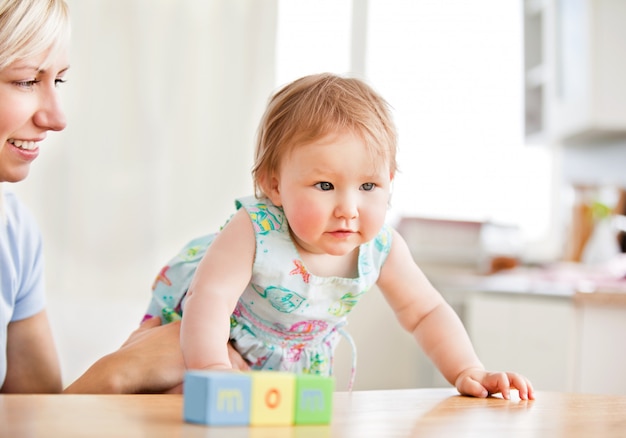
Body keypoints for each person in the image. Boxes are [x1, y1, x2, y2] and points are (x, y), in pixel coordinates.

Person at [145, 73, 535, 400]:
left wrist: (468, 369)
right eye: (325, 185)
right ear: (273, 184)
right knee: (177, 401)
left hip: (296, 372)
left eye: (368, 186)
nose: (349, 207)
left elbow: (426, 312)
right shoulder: (255, 229)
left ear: (389, 184)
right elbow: (209, 298)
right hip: (213, 342)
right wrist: (212, 368)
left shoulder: (381, 247)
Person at [0, 0, 239, 394]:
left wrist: (137, 375)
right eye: (26, 80)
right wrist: (117, 374)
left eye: (58, 80)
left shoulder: (14, 235)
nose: (57, 118)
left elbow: (36, 421)